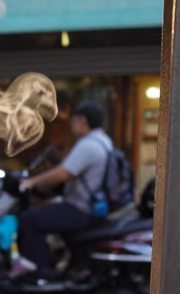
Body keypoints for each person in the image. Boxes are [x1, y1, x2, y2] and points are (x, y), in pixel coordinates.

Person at [13, 101, 113, 281]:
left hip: (80, 209)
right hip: (92, 208)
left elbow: (64, 172)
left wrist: (31, 182)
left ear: (83, 120)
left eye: (74, 120)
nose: (72, 124)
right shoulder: (105, 142)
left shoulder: (89, 145)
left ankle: (41, 270)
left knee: (28, 219)